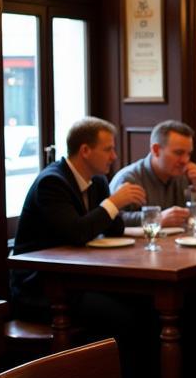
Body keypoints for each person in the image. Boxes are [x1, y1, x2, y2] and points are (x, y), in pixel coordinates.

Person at [12, 117, 144, 303]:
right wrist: (113, 203)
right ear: (85, 151)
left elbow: (114, 230)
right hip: (41, 284)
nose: (114, 156)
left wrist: (115, 205)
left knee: (139, 301)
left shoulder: (97, 180)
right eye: (108, 149)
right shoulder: (52, 182)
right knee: (119, 314)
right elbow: (76, 233)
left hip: (78, 276)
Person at [109, 120, 196, 228]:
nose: (185, 160)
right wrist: (155, 218)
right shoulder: (128, 179)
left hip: (176, 242)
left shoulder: (183, 176)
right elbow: (111, 220)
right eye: (179, 153)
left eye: (188, 154)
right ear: (156, 150)